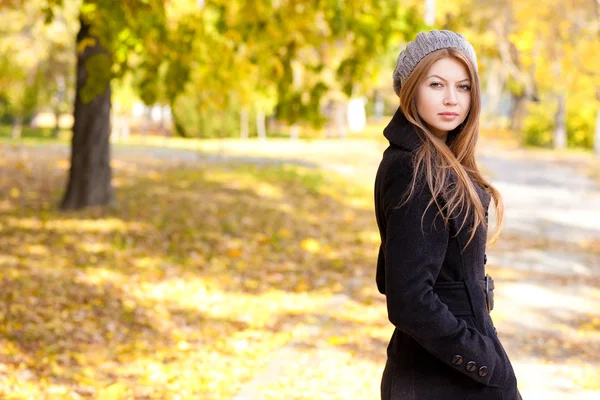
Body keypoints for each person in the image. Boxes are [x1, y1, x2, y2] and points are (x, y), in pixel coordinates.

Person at [374, 30, 522, 399]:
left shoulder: (439, 157)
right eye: (436, 84)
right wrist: (485, 360)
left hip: (452, 367)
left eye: (464, 86)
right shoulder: (414, 167)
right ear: (411, 89)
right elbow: (407, 298)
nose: (452, 99)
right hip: (439, 376)